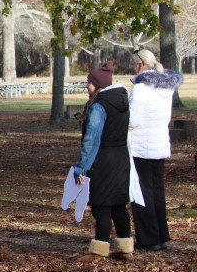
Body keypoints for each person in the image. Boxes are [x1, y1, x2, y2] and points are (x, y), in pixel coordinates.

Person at [74, 63, 133, 258]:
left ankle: (99, 251)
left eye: (89, 83)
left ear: (97, 84)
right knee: (118, 205)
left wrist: (81, 167)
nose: (87, 86)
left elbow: (90, 141)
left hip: (103, 160)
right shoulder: (122, 101)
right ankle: (125, 249)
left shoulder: (99, 106)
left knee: (101, 205)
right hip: (121, 158)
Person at [128, 49, 183, 251]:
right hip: (159, 144)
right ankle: (160, 235)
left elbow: (133, 121)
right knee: (157, 190)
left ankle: (149, 237)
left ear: (141, 65)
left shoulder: (141, 88)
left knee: (141, 192)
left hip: (141, 147)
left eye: (133, 65)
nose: (132, 69)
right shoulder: (166, 88)